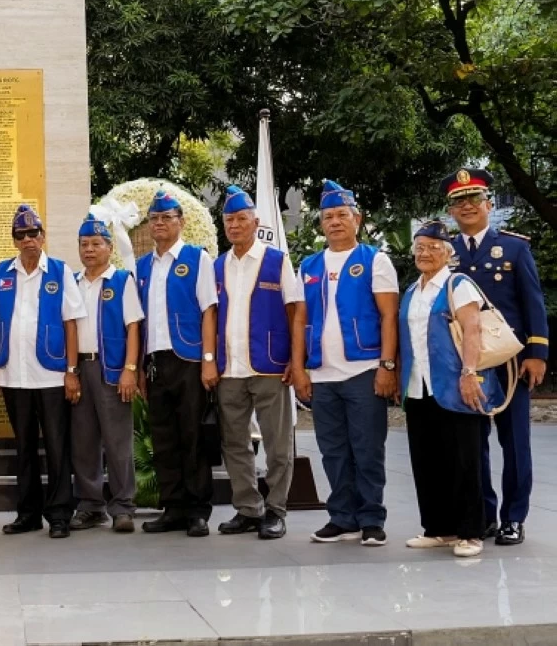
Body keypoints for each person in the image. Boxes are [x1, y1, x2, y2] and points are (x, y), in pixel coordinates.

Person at [293, 181, 399, 547]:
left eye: (342, 215)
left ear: (357, 219)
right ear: (320, 223)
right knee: (333, 450)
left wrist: (387, 366)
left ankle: (371, 518)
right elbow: (299, 319)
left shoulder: (374, 259)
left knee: (367, 448)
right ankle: (342, 517)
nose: (335, 222)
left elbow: (389, 316)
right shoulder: (309, 265)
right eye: (328, 217)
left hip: (364, 369)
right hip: (322, 373)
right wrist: (299, 368)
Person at [447, 168, 548, 546]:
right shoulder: (445, 251)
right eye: (459, 202)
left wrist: (537, 353)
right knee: (472, 445)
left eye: (474, 199)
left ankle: (514, 517)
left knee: (515, 442)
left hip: (509, 362)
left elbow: (532, 303)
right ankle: (484, 514)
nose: (467, 206)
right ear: (451, 211)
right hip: (465, 365)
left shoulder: (514, 247)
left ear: (489, 204)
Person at [400, 220, 503, 558]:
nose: (425, 253)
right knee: (427, 459)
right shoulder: (412, 291)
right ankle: (439, 528)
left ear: (447, 252)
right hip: (420, 387)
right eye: (420, 247)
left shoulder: (458, 284)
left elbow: (472, 330)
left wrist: (469, 373)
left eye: (433, 247)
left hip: (458, 384)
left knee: (465, 460)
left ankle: (471, 531)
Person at [213, 185, 305, 540]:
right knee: (234, 442)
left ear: (256, 222)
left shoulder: (277, 260)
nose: (235, 226)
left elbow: (296, 312)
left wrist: (296, 363)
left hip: (270, 364)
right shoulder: (218, 264)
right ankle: (248, 509)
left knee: (277, 442)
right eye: (229, 220)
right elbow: (211, 314)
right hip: (230, 368)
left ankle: (277, 510)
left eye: (241, 219)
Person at [0, 205, 86, 539]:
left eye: (34, 233)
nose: (28, 240)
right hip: (13, 375)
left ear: (43, 236)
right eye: (21, 235)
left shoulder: (59, 272)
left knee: (58, 446)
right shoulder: (0, 273)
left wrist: (72, 370)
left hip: (51, 375)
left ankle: (59, 514)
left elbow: (72, 324)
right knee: (24, 447)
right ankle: (27, 513)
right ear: (14, 240)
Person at [135, 190, 220, 538]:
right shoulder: (143, 266)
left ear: (181, 223)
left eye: (166, 218)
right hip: (155, 362)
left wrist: (209, 360)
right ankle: (173, 507)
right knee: (164, 437)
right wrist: (139, 366)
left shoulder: (196, 259)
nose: (159, 224)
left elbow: (209, 311)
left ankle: (198, 509)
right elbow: (137, 321)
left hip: (189, 358)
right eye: (154, 218)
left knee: (193, 435)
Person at [69, 213, 143, 533]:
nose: (89, 249)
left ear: (109, 247)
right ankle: (90, 505)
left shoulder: (122, 280)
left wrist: (130, 370)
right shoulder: (72, 282)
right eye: (84, 244)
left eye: (96, 243)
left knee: (117, 441)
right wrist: (69, 371)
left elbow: (133, 327)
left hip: (112, 369)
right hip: (80, 368)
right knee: (83, 441)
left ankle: (123, 506)